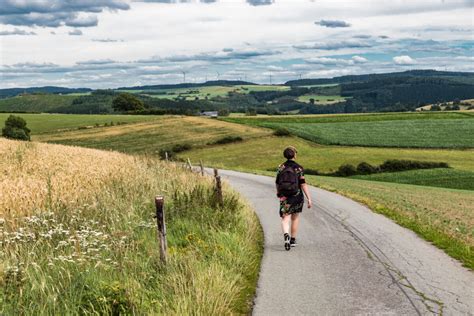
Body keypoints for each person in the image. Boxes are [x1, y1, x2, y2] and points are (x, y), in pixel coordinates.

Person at [275, 146, 312, 251]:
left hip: (284, 196)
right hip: (297, 196)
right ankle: (292, 240)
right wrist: (309, 198)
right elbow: (303, 184)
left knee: (285, 218)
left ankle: (286, 235)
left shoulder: (281, 167)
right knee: (294, 218)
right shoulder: (299, 168)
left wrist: (279, 193)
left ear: (285, 155)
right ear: (294, 155)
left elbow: (277, 182)